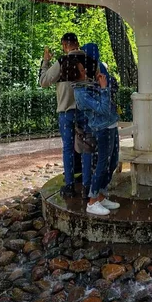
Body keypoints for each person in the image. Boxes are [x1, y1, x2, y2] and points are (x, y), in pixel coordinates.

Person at [63, 56, 121, 216]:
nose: (85, 71)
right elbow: (102, 108)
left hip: (111, 125)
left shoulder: (88, 84)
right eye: (82, 70)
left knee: (113, 162)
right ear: (75, 74)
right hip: (102, 129)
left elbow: (111, 94)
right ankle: (92, 201)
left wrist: (105, 84)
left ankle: (101, 195)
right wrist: (103, 88)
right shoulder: (81, 93)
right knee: (102, 164)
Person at [39, 32, 94, 198]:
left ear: (64, 45)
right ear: (77, 43)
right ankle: (87, 186)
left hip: (66, 112)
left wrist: (46, 61)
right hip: (86, 111)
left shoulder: (62, 62)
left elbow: (43, 82)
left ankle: (69, 186)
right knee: (86, 148)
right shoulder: (91, 62)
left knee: (68, 148)